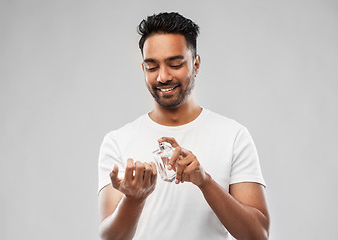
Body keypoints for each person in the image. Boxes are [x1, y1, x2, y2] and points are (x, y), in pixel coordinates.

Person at [98, 12, 270, 240]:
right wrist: (134, 199)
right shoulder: (117, 141)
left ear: (196, 64)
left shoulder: (233, 136)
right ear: (143, 70)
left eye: (175, 64)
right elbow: (110, 238)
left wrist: (205, 182)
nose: (163, 77)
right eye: (152, 67)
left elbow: (257, 235)